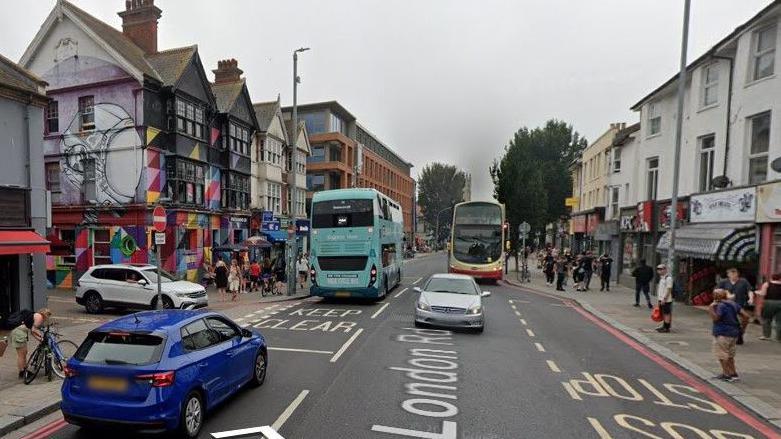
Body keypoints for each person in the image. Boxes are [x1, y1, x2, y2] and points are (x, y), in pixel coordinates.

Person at [709, 290, 750, 382]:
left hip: (722, 333)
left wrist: (711, 308)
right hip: (734, 333)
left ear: (716, 297)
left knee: (722, 354)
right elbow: (746, 316)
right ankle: (733, 373)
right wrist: (742, 329)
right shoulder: (733, 304)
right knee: (730, 355)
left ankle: (726, 374)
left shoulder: (720, 306)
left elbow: (716, 318)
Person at [716, 268, 753, 344]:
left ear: (737, 274)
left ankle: (741, 333)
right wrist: (726, 293)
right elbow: (716, 291)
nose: (732, 275)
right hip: (726, 305)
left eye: (734, 274)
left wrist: (751, 298)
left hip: (739, 305)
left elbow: (749, 290)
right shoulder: (724, 282)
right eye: (730, 274)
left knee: (746, 317)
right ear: (728, 275)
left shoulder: (743, 281)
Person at [11, 308, 51, 379]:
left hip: (20, 332)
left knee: (24, 353)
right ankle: (22, 372)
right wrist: (41, 337)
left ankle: (24, 370)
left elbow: (32, 332)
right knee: (21, 355)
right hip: (18, 333)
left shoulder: (36, 315)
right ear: (46, 315)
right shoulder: (40, 317)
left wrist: (40, 339)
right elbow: (34, 330)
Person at [755, 273, 781, 341]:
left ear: (772, 278)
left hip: (769, 302)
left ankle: (766, 335)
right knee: (779, 321)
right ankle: (779, 337)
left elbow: (763, 293)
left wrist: (756, 292)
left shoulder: (767, 284)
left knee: (767, 319)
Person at [656, 264, 674, 333]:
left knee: (667, 314)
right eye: (658, 269)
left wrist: (664, 299)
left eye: (661, 269)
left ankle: (667, 328)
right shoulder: (662, 278)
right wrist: (659, 299)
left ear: (665, 269)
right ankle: (664, 326)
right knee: (663, 313)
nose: (659, 270)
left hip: (666, 300)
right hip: (661, 299)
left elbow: (669, 289)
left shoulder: (668, 278)